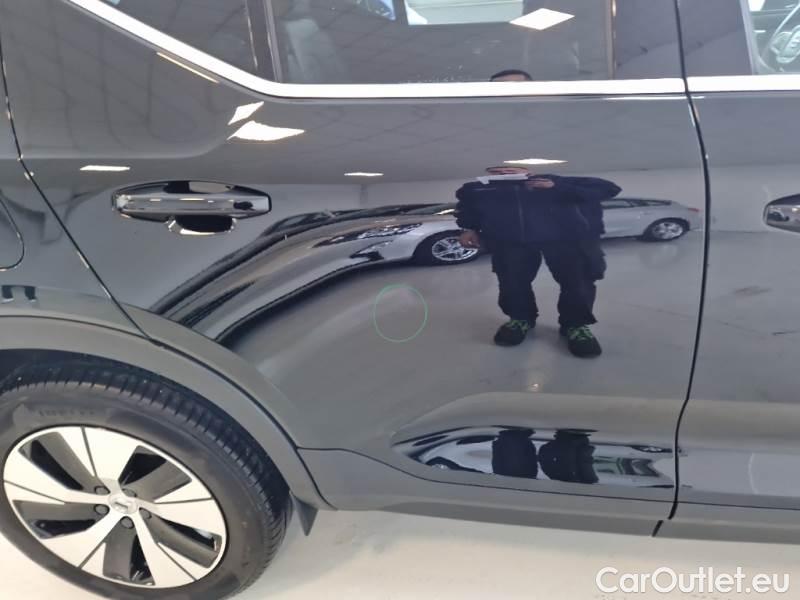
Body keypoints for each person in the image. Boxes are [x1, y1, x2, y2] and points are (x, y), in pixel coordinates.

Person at [456, 166, 620, 357]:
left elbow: (609, 189)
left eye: (510, 169)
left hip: (566, 240)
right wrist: (469, 228)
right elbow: (468, 209)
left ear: (527, 170)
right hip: (511, 241)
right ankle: (520, 319)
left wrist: (557, 187)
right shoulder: (478, 188)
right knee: (511, 282)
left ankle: (575, 325)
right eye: (498, 171)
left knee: (578, 283)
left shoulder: (557, 181)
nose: (504, 173)